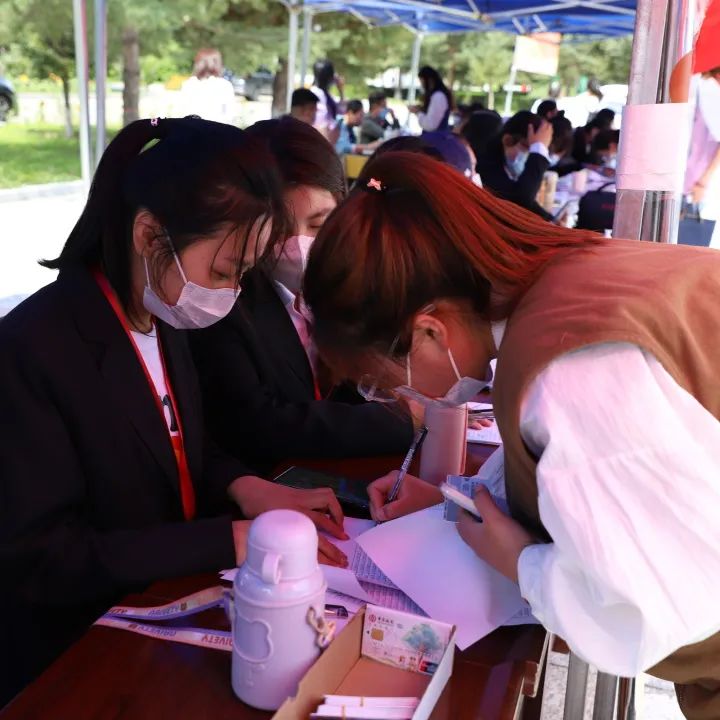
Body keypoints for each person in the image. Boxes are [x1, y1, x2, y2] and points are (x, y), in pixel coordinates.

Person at [302, 152, 720, 720]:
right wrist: (464, 503)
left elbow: (648, 607)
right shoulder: (576, 275)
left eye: (385, 382)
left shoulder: (567, 371)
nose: (403, 399)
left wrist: (523, 563)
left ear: (429, 331)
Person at [0, 117, 347, 706]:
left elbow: (181, 444)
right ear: (148, 234)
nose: (231, 293)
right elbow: (45, 557)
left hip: (168, 608)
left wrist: (248, 488)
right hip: (75, 652)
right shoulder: (34, 351)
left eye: (244, 275)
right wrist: (228, 541)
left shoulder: (164, 315)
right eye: (224, 271)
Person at [189, 117, 414, 473]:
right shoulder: (224, 300)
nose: (299, 245)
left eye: (319, 223)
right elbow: (257, 424)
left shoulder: (345, 279)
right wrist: (402, 420)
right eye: (278, 228)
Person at [476, 110, 554, 220]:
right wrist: (538, 151)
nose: (529, 157)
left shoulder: (505, 166)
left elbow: (527, 200)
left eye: (532, 152)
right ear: (507, 140)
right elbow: (521, 200)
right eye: (528, 148)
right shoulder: (485, 165)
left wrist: (551, 220)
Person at [179, 49, 236, 125]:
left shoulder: (188, 84)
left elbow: (181, 112)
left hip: (191, 129)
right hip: (217, 129)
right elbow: (229, 115)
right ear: (218, 63)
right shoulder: (225, 85)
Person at [410, 66, 453, 133]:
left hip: (436, 137)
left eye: (422, 81)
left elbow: (431, 125)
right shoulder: (437, 96)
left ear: (429, 80)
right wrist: (421, 109)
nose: (422, 85)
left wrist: (417, 112)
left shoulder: (438, 96)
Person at [311, 59, 345, 142]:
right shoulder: (316, 95)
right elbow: (321, 123)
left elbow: (342, 110)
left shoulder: (326, 95)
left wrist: (340, 90)